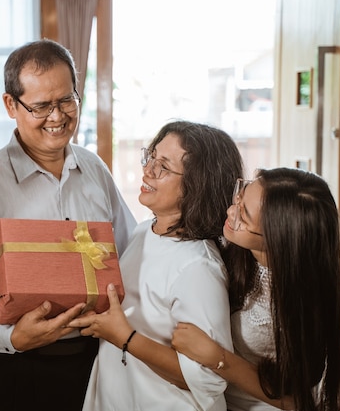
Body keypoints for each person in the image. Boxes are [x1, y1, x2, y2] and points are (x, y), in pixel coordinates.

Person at [0, 39, 137, 411]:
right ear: (10, 105)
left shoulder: (94, 168)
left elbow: (129, 253)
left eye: (67, 100)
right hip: (16, 369)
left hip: (97, 362)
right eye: (41, 106)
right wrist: (12, 337)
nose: (57, 116)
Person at [68, 120, 245, 410]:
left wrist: (125, 337)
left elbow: (207, 378)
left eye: (163, 166)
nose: (148, 169)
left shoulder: (197, 266)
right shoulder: (143, 231)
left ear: (197, 186)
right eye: (151, 156)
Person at [171, 167, 340, 411]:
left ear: (277, 240)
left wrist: (219, 359)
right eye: (240, 194)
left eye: (243, 216)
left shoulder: (303, 301)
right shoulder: (233, 244)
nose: (231, 210)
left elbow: (299, 402)